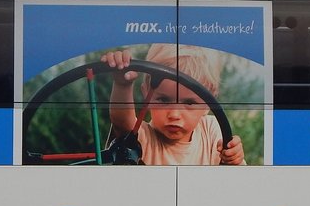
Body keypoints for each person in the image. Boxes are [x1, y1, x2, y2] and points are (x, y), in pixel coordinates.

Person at [103, 44, 245, 166]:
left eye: (189, 102)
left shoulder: (211, 130)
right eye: (164, 100)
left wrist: (233, 157)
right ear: (147, 93)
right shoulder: (142, 137)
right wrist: (122, 85)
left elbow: (233, 178)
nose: (174, 115)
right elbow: (122, 122)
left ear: (208, 103)